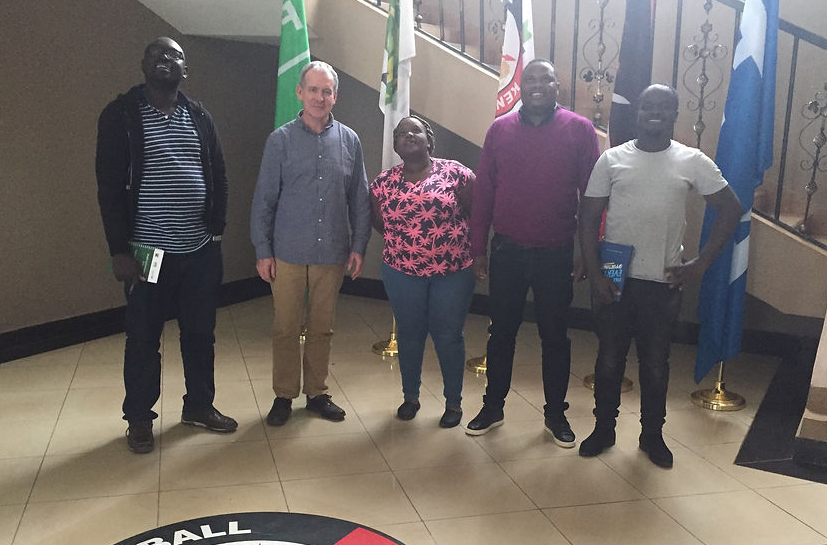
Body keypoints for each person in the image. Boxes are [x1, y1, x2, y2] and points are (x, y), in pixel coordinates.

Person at [578, 84, 742, 468]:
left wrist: (701, 263)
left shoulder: (692, 160)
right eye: (647, 105)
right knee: (608, 360)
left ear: (674, 114)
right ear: (637, 113)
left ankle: (652, 436)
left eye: (663, 106)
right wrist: (595, 273)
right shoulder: (612, 159)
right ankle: (603, 429)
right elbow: (588, 218)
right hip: (615, 281)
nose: (655, 112)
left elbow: (731, 210)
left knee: (655, 365)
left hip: (662, 283)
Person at [96, 37, 237, 454]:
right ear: (143, 64)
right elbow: (108, 187)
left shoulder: (199, 116)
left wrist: (216, 230)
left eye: (175, 56)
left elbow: (219, 174)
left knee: (200, 334)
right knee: (143, 338)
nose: (165, 60)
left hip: (199, 250)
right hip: (146, 252)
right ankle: (139, 419)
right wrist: (118, 250)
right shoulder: (121, 114)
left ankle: (199, 406)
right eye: (157, 54)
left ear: (184, 70)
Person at [465, 59, 600, 447]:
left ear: (558, 86)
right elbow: (484, 192)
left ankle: (556, 414)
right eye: (531, 79)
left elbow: (592, 196)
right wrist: (478, 248)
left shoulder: (580, 129)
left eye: (546, 79)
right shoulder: (500, 129)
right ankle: (493, 407)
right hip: (506, 250)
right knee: (500, 333)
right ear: (521, 87)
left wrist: (587, 251)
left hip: (556, 253)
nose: (538, 85)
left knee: (555, 336)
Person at [251, 61, 371, 426]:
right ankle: (284, 395)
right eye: (313, 90)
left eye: (327, 91)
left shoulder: (349, 141)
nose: (320, 97)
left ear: (335, 96)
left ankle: (317, 393)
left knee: (322, 328)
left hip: (331, 252)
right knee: (285, 329)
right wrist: (262, 250)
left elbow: (360, 199)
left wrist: (359, 246)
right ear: (300, 92)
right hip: (287, 252)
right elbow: (264, 200)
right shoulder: (280, 141)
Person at [370, 116, 477, 428]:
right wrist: (411, 245)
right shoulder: (382, 183)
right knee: (410, 334)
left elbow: (475, 214)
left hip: (453, 271)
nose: (409, 136)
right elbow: (379, 222)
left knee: (449, 336)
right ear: (396, 145)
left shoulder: (457, 173)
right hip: (401, 271)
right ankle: (410, 397)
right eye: (402, 133)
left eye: (415, 130)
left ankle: (453, 403)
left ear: (429, 140)